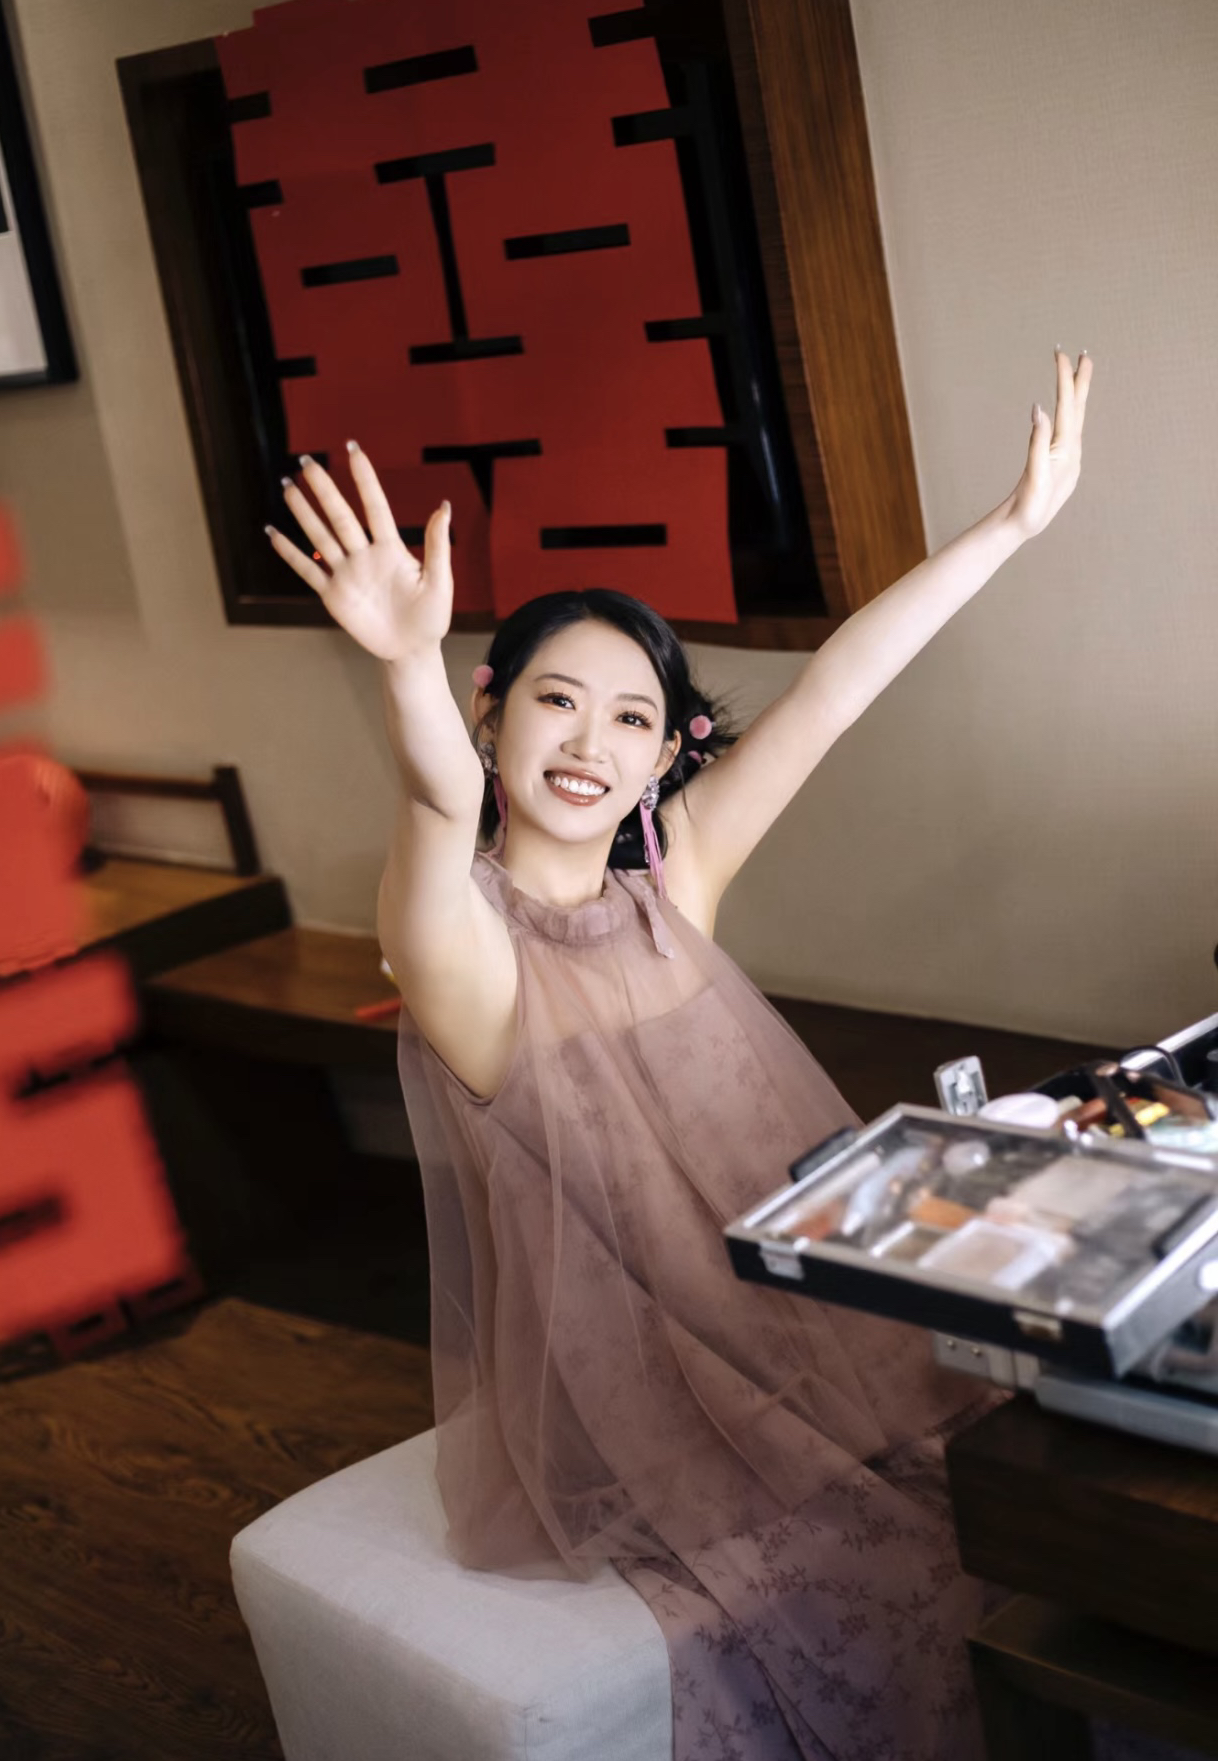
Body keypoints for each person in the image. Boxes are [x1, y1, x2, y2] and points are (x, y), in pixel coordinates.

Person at [266, 349, 1093, 1760]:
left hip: (800, 1319)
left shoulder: (679, 884)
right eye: (556, 700)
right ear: (492, 714)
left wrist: (1009, 527)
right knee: (931, 1564)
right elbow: (437, 801)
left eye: (632, 716)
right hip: (645, 1388)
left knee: (1053, 1461)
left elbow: (835, 689)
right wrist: (403, 660)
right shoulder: (460, 951)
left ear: (663, 762)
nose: (590, 741)